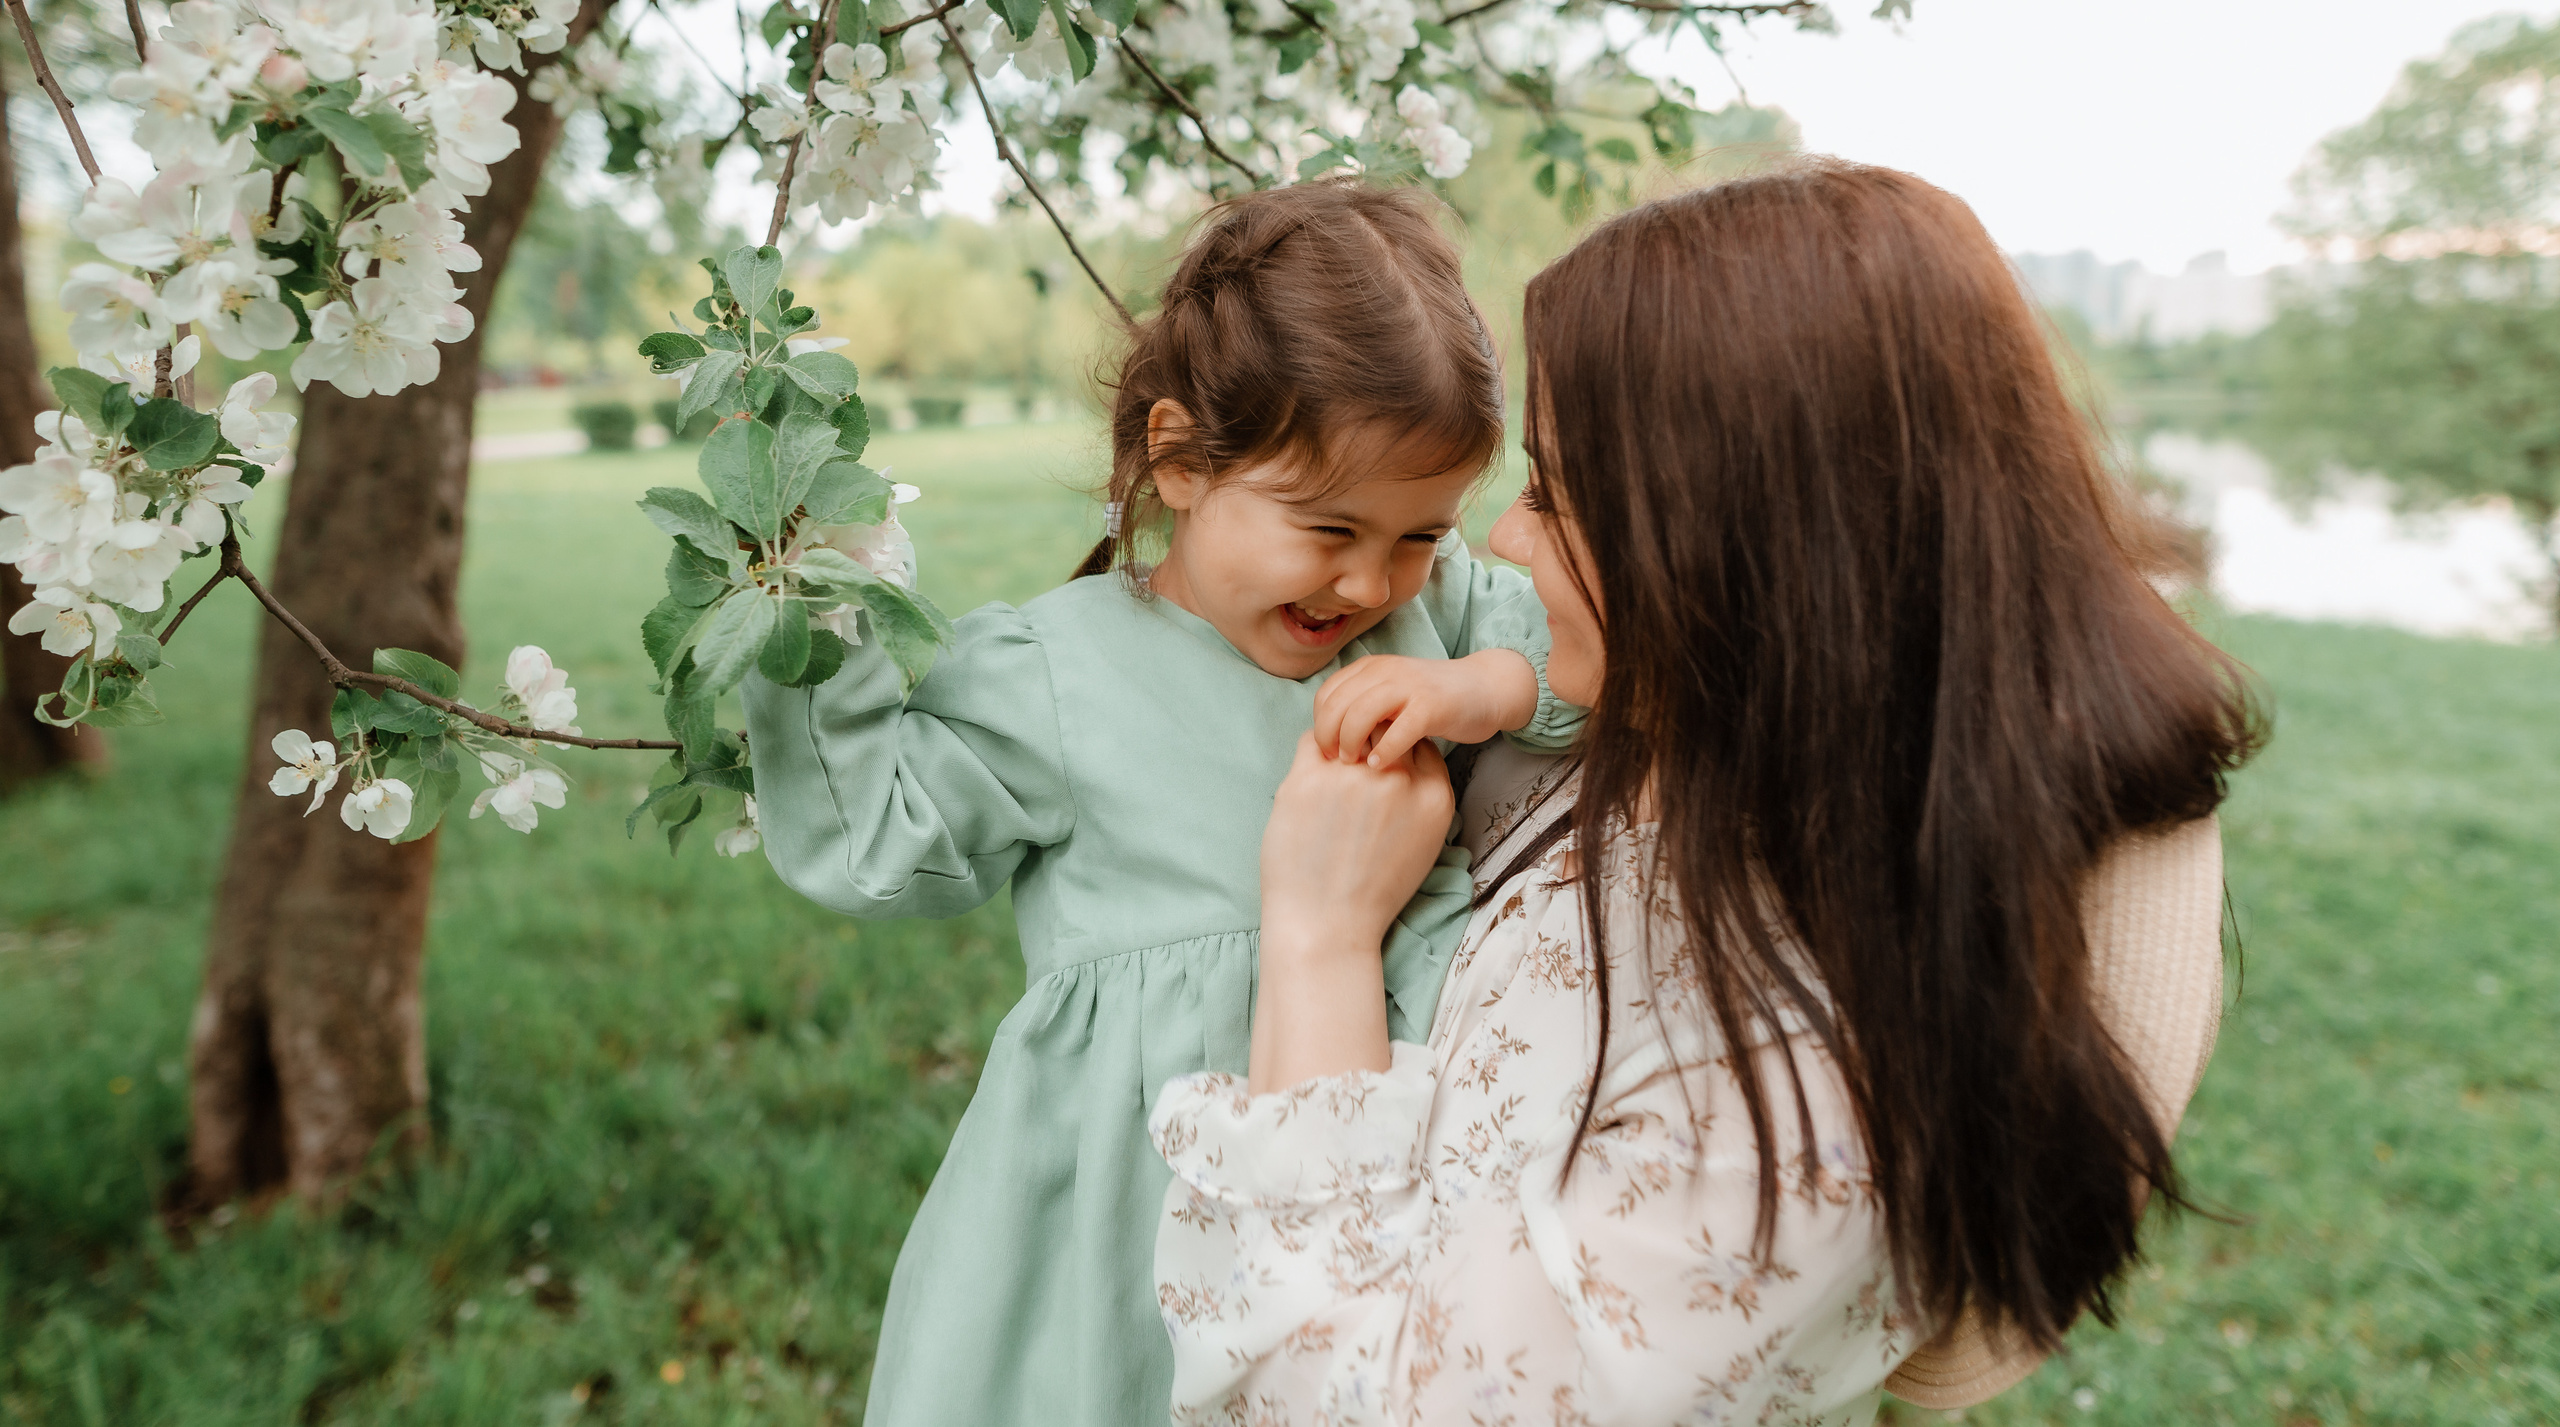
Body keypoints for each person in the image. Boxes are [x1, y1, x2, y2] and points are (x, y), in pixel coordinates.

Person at [1152, 159, 2262, 1422]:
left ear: (1738, 553)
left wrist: (1319, 937)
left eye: (1557, 492)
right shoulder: (1665, 738)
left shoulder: (1802, 1130)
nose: (1503, 537)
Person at [742, 181, 1586, 1427]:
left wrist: (1480, 688)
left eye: (1418, 534)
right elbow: (873, 844)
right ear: (1181, 460)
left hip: (1406, 1159)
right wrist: (820, 615)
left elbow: (1592, 671)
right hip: (1135, 1202)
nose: (1370, 583)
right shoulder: (1057, 670)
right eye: (1330, 528)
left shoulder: (1442, 616)